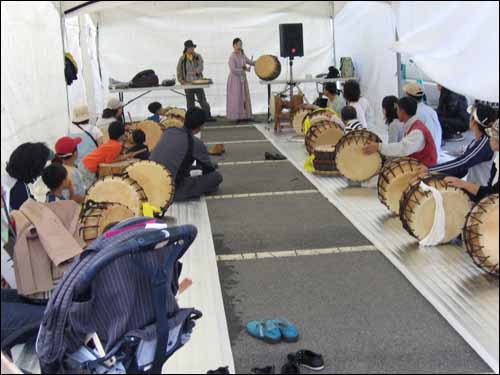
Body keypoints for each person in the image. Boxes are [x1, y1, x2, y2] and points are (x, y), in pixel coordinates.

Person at [150, 107, 222, 201]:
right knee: (216, 177)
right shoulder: (195, 142)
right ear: (201, 126)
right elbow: (209, 169)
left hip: (151, 183)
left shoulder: (169, 131)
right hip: (169, 192)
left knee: (193, 168)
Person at [428, 103, 497, 186]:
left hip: (482, 193)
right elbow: (463, 167)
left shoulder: (485, 144)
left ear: (474, 122)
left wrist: (429, 171)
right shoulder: (479, 141)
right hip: (475, 188)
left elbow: (462, 163)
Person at [363, 97, 438, 167]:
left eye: (397, 110)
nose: (396, 112)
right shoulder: (413, 124)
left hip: (426, 169)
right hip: (417, 164)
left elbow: (403, 148)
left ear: (402, 112)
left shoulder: (417, 132)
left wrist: (379, 147)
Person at [446, 119, 499, 202]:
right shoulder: (495, 156)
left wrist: (463, 184)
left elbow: (492, 195)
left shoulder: (484, 146)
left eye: (493, 134)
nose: (490, 137)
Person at [3, 143, 52, 212]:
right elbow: (32, 215)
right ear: (32, 169)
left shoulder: (5, 179)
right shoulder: (19, 189)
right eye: (41, 168)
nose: (41, 173)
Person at [176, 40, 215, 122]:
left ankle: (207, 116)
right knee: (190, 102)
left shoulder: (198, 56)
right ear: (186, 48)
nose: (192, 49)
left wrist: (197, 71)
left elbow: (201, 65)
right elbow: (179, 70)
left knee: (202, 100)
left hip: (198, 82)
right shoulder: (182, 58)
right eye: (190, 48)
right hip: (187, 83)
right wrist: (181, 80)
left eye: (193, 47)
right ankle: (191, 118)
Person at [404, 82, 442, 153]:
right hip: (437, 150)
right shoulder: (431, 110)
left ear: (407, 96)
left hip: (426, 154)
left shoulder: (414, 113)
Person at [226, 38, 255, 121]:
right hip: (234, 80)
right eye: (238, 45)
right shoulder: (232, 57)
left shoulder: (242, 54)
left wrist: (258, 63)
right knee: (237, 97)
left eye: (241, 45)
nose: (240, 46)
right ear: (234, 45)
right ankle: (236, 116)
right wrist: (243, 70)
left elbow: (249, 61)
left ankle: (244, 116)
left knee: (244, 97)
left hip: (242, 78)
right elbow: (233, 69)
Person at [53, 136, 87, 203]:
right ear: (75, 153)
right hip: (78, 206)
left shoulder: (62, 169)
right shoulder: (72, 173)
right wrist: (87, 199)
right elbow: (72, 198)